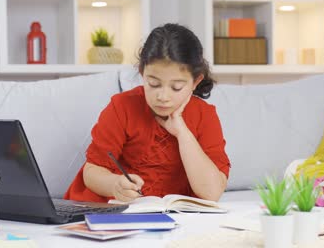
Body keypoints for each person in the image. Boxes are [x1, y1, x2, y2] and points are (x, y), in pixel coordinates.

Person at [64, 23, 230, 203]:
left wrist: (183, 133)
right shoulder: (122, 106)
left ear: (196, 81)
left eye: (176, 87)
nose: (163, 96)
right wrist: (115, 184)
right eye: (154, 84)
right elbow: (92, 172)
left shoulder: (205, 116)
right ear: (142, 72)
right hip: (115, 209)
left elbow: (212, 193)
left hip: (172, 216)